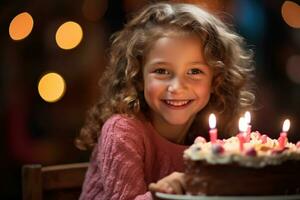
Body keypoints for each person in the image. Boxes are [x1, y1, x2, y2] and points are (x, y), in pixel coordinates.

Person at [76, 2, 255, 199]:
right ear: (138, 77)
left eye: (195, 71)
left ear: (216, 80)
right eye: (161, 71)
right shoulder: (122, 131)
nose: (177, 87)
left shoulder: (211, 135)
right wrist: (165, 193)